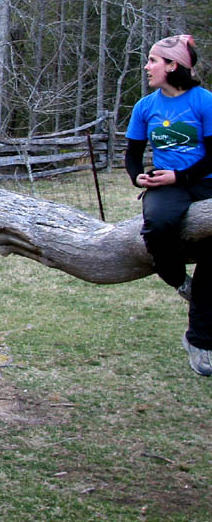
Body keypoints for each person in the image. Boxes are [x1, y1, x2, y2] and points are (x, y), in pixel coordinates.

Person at [125, 34, 212, 376]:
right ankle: (179, 281)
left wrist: (181, 177)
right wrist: (138, 178)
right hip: (165, 184)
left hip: (202, 181)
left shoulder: (204, 101)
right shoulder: (145, 106)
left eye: (153, 60)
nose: (147, 66)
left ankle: (201, 342)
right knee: (158, 226)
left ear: (173, 66)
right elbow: (132, 155)